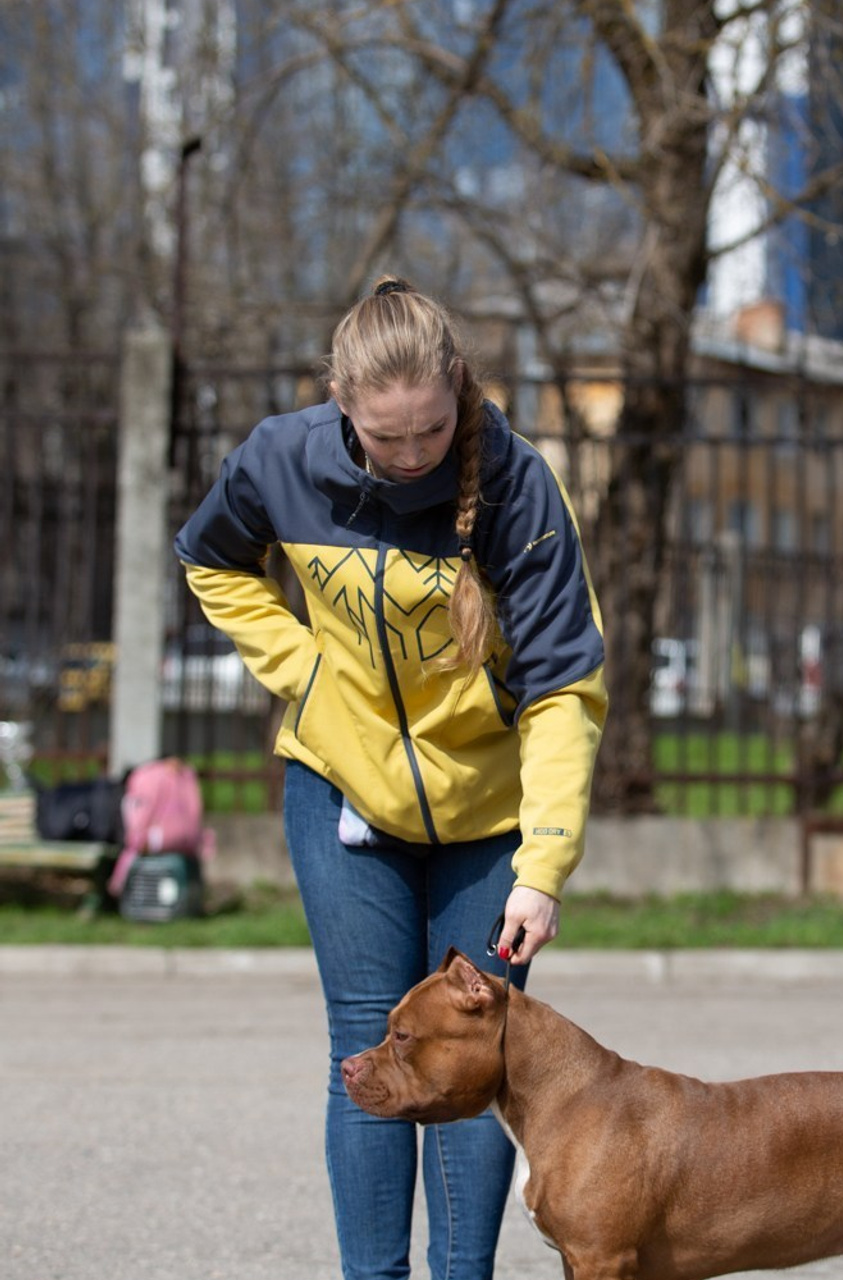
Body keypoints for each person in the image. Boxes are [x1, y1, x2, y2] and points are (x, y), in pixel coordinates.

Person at [174, 275, 608, 1280]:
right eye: (385, 436)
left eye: (429, 430)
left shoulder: (515, 484)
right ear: (339, 399)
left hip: (489, 818)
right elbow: (210, 561)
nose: (410, 455)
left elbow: (564, 689)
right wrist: (303, 668)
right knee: (371, 1052)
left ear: (457, 388)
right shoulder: (280, 460)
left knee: (472, 1053)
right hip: (341, 795)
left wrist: (541, 863)